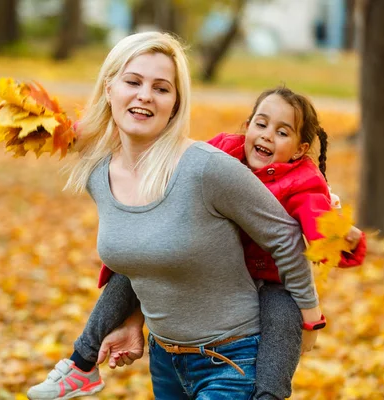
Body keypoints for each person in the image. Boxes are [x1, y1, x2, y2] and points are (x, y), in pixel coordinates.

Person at [26, 31, 323, 400]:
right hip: (165, 361)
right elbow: (146, 255)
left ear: (176, 103)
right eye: (133, 81)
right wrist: (135, 319)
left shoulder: (206, 169)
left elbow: (285, 236)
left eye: (162, 88)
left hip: (231, 363)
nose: (145, 95)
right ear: (109, 88)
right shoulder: (98, 174)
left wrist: (311, 318)